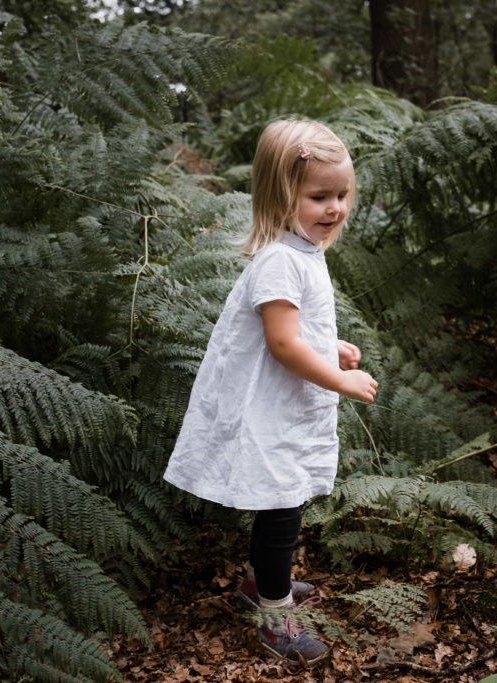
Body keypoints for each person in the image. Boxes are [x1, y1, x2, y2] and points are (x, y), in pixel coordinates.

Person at [163, 119, 378, 664]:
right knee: (282, 506)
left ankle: (262, 584)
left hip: (285, 402)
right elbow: (282, 345)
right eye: (319, 197)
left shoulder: (301, 250)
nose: (335, 209)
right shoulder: (280, 260)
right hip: (269, 409)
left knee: (287, 500)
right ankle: (274, 612)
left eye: (342, 195)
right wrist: (341, 380)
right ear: (282, 196)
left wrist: (332, 347)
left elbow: (294, 332)